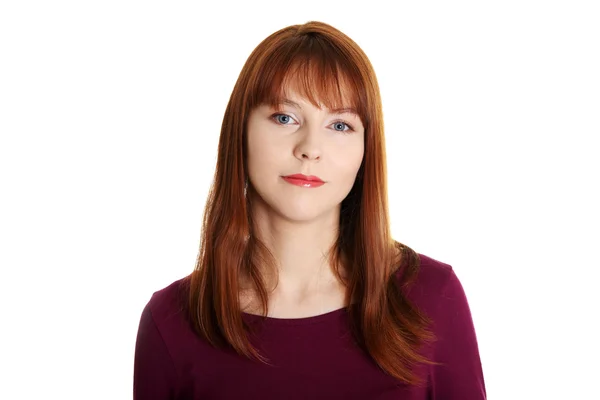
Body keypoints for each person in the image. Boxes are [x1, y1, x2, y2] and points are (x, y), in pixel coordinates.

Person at [133, 20, 486, 399]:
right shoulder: (171, 323)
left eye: (340, 125)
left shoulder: (431, 298)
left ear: (366, 151)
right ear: (241, 131)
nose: (310, 147)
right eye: (285, 117)